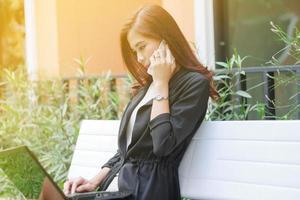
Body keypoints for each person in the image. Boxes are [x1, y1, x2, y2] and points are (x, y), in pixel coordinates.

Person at [63, 4, 219, 200]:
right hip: (122, 188)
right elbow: (128, 151)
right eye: (135, 51)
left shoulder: (193, 84)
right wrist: (94, 181)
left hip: (149, 191)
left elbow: (162, 145)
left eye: (142, 47)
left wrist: (161, 84)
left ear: (165, 40)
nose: (139, 58)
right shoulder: (149, 85)